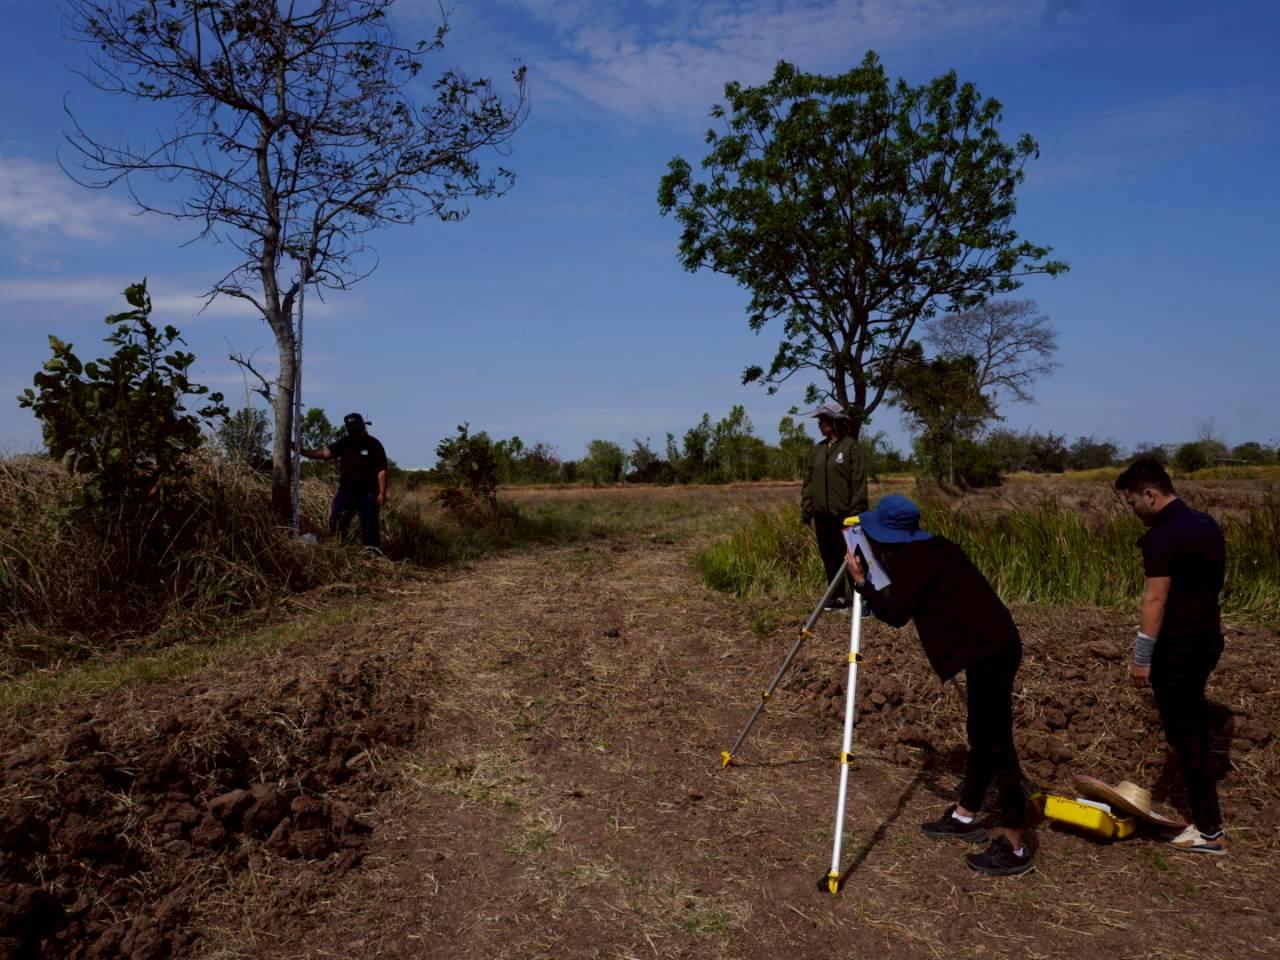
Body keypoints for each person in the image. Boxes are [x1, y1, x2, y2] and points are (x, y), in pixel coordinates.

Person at [846, 495, 1032, 876]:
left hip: (991, 650)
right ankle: (966, 815)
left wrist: (863, 583)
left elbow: (896, 613)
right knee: (981, 732)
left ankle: (1015, 842)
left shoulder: (918, 561)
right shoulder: (936, 547)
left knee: (996, 742)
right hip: (992, 645)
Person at [1115, 457, 1228, 855]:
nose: (1134, 513)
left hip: (1177, 649)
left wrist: (1142, 657)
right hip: (1207, 640)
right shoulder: (1206, 525)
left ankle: (1208, 829)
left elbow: (1155, 598)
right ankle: (1206, 821)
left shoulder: (1162, 536)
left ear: (1150, 494)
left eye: (1132, 504)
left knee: (1187, 736)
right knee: (1191, 727)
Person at [801, 402, 868, 611]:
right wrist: (807, 509)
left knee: (853, 557)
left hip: (846, 515)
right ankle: (837, 597)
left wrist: (857, 511)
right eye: (819, 421)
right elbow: (808, 483)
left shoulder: (850, 447)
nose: (820, 424)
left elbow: (858, 481)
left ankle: (864, 599)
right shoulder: (817, 450)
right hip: (822, 514)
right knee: (828, 554)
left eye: (823, 421)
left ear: (836, 422)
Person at [301, 412, 389, 553]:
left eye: (358, 429)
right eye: (352, 430)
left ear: (363, 427)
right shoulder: (344, 443)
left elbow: (382, 471)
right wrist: (302, 451)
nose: (356, 433)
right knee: (337, 522)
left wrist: (382, 493)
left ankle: (372, 552)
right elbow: (325, 454)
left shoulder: (374, 445)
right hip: (346, 492)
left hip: (368, 493)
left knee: (369, 525)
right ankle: (338, 548)